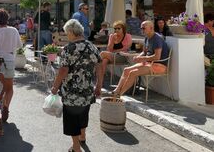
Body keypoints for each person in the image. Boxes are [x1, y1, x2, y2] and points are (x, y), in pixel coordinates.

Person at [51, 19, 102, 152]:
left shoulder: (69, 49)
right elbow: (100, 66)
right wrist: (99, 85)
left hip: (71, 91)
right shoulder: (92, 46)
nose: (66, 35)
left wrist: (55, 87)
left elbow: (63, 70)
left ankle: (76, 147)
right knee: (83, 113)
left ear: (72, 32)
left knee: (72, 119)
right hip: (88, 89)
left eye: (67, 33)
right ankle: (82, 136)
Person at [111, 20, 169, 96]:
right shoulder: (147, 38)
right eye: (141, 28)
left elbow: (157, 57)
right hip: (149, 63)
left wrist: (143, 58)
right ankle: (117, 90)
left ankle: (120, 94)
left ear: (151, 28)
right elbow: (144, 52)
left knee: (133, 73)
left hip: (159, 65)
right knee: (126, 70)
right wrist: (139, 56)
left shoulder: (157, 39)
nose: (142, 30)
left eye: (144, 28)